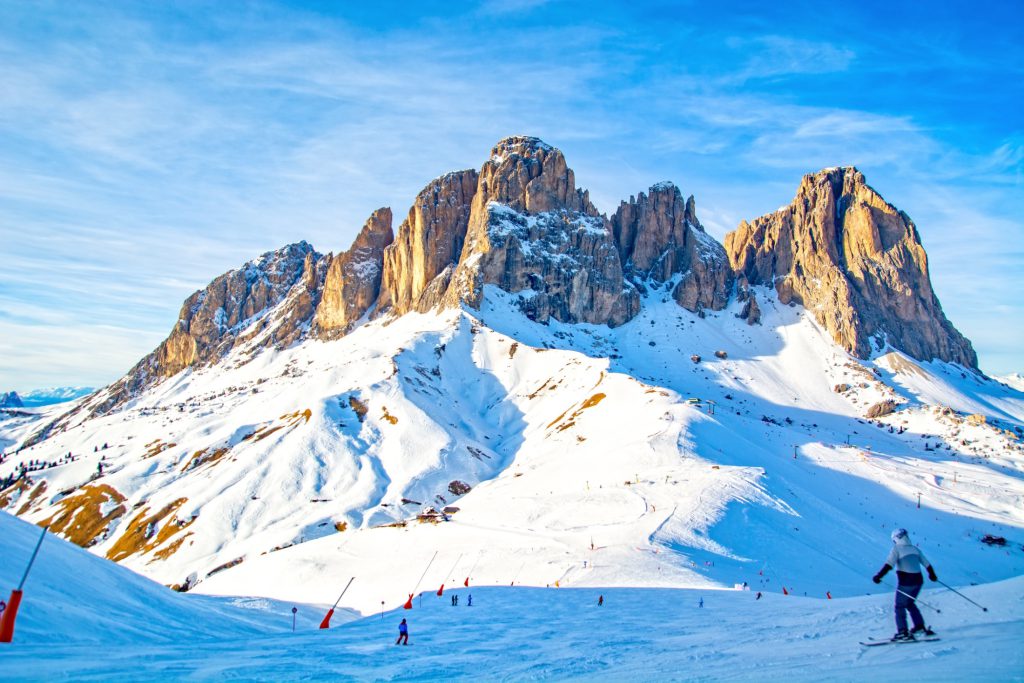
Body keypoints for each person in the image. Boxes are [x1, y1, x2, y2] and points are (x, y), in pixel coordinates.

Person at [873, 528, 938, 641]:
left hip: (906, 582)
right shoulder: (914, 549)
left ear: (896, 538)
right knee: (910, 603)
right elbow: (927, 564)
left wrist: (879, 576)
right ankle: (919, 627)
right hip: (918, 581)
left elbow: (889, 564)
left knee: (899, 606)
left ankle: (903, 632)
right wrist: (932, 575)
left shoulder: (897, 549)